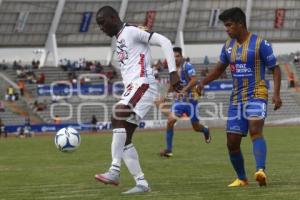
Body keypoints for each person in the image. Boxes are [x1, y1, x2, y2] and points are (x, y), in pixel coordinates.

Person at [94, 5, 182, 194]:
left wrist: (173, 72)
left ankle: (114, 170)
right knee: (125, 137)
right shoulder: (119, 39)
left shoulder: (132, 31)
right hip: (135, 87)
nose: (101, 28)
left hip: (143, 84)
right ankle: (141, 183)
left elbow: (165, 41)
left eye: (102, 23)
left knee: (117, 113)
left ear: (112, 17)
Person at [196, 7, 282, 187]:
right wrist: (203, 82)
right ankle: (242, 178)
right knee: (232, 142)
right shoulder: (228, 46)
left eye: (229, 25)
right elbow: (219, 69)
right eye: (225, 26)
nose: (226, 29)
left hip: (257, 93)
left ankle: (260, 170)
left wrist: (276, 94)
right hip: (236, 98)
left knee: (255, 128)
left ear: (240, 24)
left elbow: (275, 68)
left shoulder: (260, 44)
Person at [159, 47, 211, 157]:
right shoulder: (172, 69)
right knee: (170, 122)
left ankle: (205, 130)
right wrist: (166, 95)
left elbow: (194, 80)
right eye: (173, 57)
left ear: (181, 57)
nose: (175, 58)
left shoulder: (187, 66)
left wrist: (183, 91)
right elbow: (173, 84)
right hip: (179, 101)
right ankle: (168, 150)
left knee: (196, 127)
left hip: (192, 100)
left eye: (177, 56)